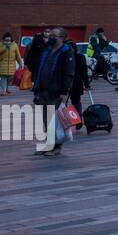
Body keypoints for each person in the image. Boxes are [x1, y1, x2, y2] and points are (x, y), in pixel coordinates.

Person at [31, 28, 77, 157]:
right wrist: (36, 44)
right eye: (50, 35)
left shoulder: (66, 52)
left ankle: (57, 146)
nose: (51, 37)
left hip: (56, 91)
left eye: (54, 35)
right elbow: (32, 63)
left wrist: (64, 91)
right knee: (45, 119)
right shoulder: (46, 50)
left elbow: (69, 73)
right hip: (43, 90)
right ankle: (48, 144)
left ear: (62, 37)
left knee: (54, 121)